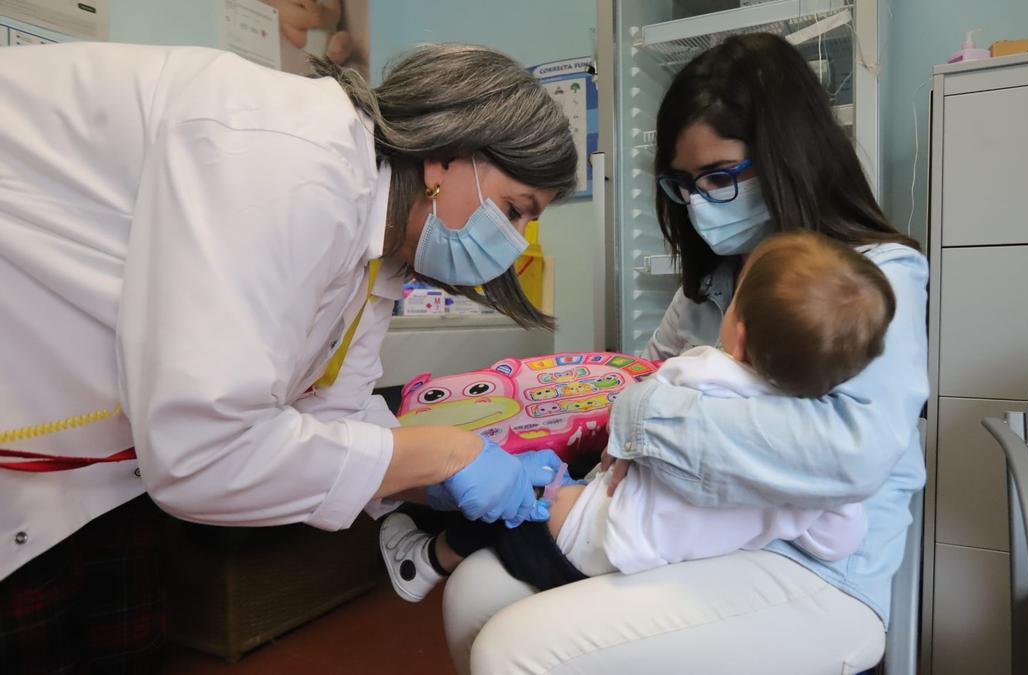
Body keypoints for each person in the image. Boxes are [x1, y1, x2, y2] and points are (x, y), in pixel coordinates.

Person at [0, 41, 574, 672]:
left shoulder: (379, 242)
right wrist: (448, 454)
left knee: (123, 638)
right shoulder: (292, 158)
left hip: (96, 444)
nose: (514, 240)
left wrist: (433, 480)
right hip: (31, 372)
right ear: (445, 157)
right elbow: (205, 452)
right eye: (516, 210)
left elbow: (334, 405)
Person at [441, 32, 928, 675]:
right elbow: (637, 375)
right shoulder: (715, 283)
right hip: (698, 535)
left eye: (720, 177)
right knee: (470, 593)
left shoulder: (876, 279)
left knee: (514, 650)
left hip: (815, 569)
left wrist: (642, 418)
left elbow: (850, 453)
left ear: (789, 158)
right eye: (684, 184)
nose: (700, 203)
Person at [379, 231, 896, 602]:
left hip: (583, 544)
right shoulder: (813, 467)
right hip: (656, 568)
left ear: (736, 333)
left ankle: (423, 559)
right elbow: (838, 541)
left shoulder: (702, 371)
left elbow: (637, 391)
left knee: (511, 489)